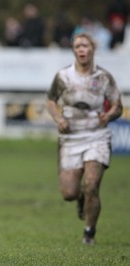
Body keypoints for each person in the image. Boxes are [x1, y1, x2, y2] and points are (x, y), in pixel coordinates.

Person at [46, 33, 123, 245]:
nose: (81, 49)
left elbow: (117, 105)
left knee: (91, 184)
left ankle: (89, 232)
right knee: (69, 192)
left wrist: (109, 115)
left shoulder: (104, 77)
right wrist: (58, 117)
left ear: (93, 49)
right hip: (70, 137)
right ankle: (81, 199)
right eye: (78, 46)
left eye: (85, 45)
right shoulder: (63, 76)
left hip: (97, 136)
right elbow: (51, 101)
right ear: (73, 49)